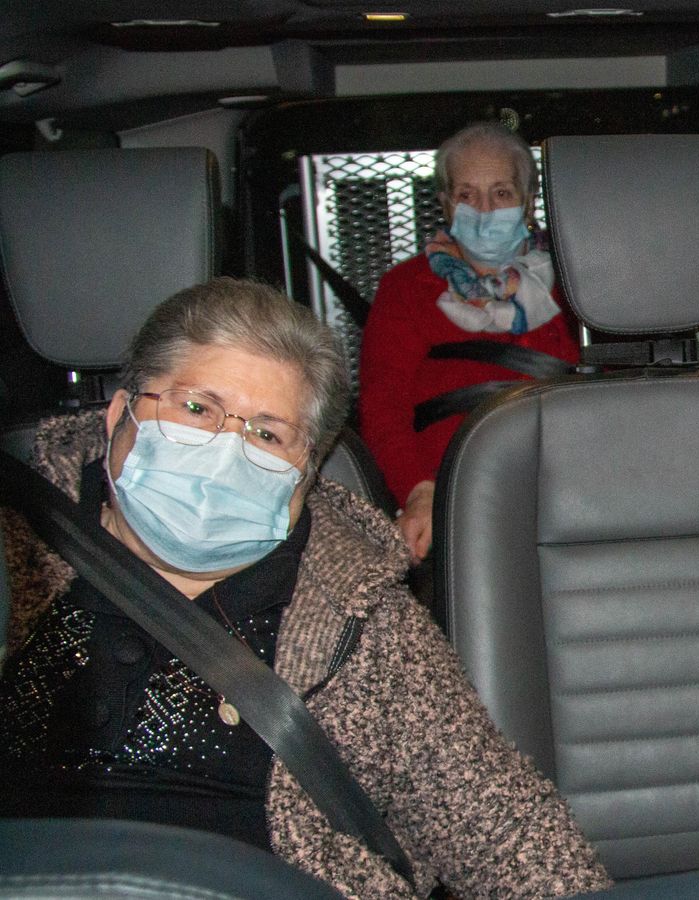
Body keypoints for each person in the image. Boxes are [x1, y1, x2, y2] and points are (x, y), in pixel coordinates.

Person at [0, 279, 609, 899]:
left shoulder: (365, 621)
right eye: (196, 408)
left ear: (307, 471)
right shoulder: (17, 548)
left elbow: (509, 836)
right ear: (118, 414)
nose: (224, 449)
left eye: (267, 434)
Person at [360, 121, 581, 562]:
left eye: (501, 193)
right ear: (445, 205)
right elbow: (382, 408)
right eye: (466, 195)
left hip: (567, 493)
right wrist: (421, 493)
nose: (484, 210)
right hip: (456, 503)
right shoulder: (405, 289)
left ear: (529, 202)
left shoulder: (577, 284)